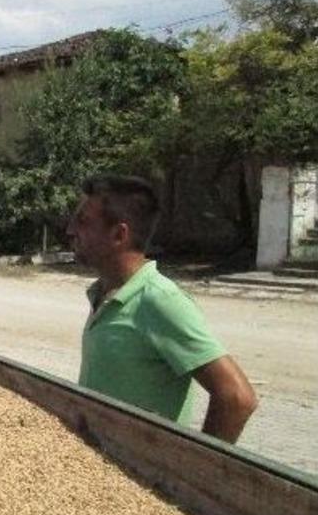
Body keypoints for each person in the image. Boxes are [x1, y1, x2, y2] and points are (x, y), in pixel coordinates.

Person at [67, 174, 257, 443]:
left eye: (83, 221)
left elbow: (237, 397)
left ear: (119, 234)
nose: (70, 230)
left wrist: (197, 467)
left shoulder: (159, 300)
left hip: (138, 477)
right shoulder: (104, 292)